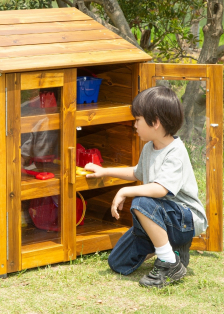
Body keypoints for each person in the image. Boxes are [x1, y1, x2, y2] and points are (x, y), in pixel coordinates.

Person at [84, 86, 207, 288]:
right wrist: (104, 171)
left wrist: (125, 191)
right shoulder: (150, 147)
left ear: (155, 122)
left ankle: (169, 261)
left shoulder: (176, 152)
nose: (134, 125)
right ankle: (172, 249)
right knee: (118, 262)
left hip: (185, 220)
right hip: (160, 215)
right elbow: (137, 172)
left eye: (138, 120)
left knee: (141, 202)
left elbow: (160, 189)